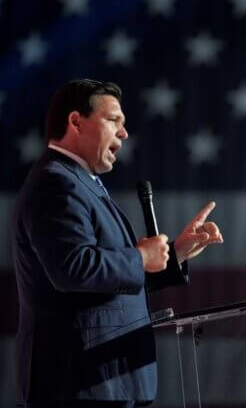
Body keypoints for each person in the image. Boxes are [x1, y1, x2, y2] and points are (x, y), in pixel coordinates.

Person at [12, 79, 223, 407]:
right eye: (114, 120)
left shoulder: (81, 183)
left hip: (106, 383)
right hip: (78, 387)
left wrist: (174, 254)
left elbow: (106, 283)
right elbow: (73, 269)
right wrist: (139, 258)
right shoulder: (55, 183)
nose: (124, 133)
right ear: (76, 122)